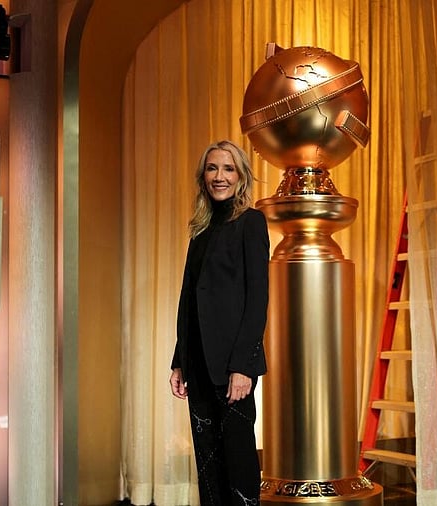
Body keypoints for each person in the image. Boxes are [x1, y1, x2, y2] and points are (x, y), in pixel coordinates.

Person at [170, 140, 269, 506]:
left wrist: (243, 366)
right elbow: (189, 298)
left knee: (238, 463)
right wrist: (179, 360)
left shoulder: (251, 222)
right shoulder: (200, 229)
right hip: (197, 363)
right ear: (203, 177)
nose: (219, 176)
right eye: (212, 168)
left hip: (233, 368)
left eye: (228, 169)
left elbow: (257, 299)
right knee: (208, 464)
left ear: (241, 176)